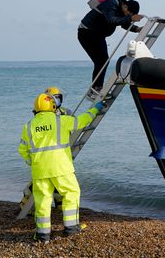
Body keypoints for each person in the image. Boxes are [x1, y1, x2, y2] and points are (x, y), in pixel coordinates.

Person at [18, 93, 104, 243]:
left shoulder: (29, 126)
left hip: (40, 170)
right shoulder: (61, 121)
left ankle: (42, 235)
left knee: (42, 201)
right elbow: (82, 121)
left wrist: (32, 162)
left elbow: (23, 150)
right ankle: (71, 228)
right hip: (61, 167)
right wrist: (94, 109)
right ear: (52, 106)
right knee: (71, 192)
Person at [78, 0, 142, 95]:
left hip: (97, 35)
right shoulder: (111, 5)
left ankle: (96, 88)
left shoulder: (121, 10)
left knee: (102, 61)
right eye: (128, 14)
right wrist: (130, 18)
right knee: (102, 61)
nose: (128, 16)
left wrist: (137, 29)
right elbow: (111, 20)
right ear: (125, 7)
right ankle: (96, 88)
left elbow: (124, 24)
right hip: (87, 32)